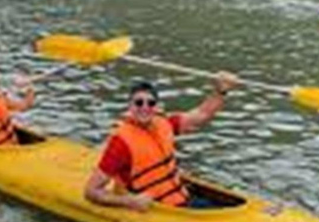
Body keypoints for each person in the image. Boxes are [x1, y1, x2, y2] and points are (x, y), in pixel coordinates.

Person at [84, 72, 239, 212]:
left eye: (150, 103)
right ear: (130, 106)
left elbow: (202, 114)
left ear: (156, 106)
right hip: (158, 210)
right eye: (139, 103)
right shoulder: (120, 143)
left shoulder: (165, 123)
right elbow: (91, 191)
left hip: (184, 201)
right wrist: (129, 201)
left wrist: (221, 91)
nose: (144, 107)